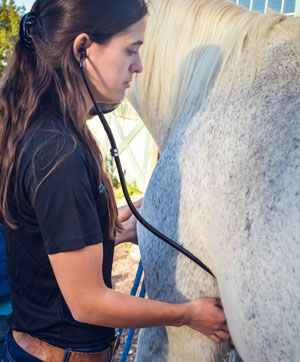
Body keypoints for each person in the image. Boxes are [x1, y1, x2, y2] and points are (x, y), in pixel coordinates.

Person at [0, 0, 230, 361]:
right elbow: (89, 304)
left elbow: (45, 243)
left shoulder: (44, 132)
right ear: (82, 50)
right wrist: (187, 314)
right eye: (130, 50)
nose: (138, 67)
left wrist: (115, 229)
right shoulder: (57, 154)